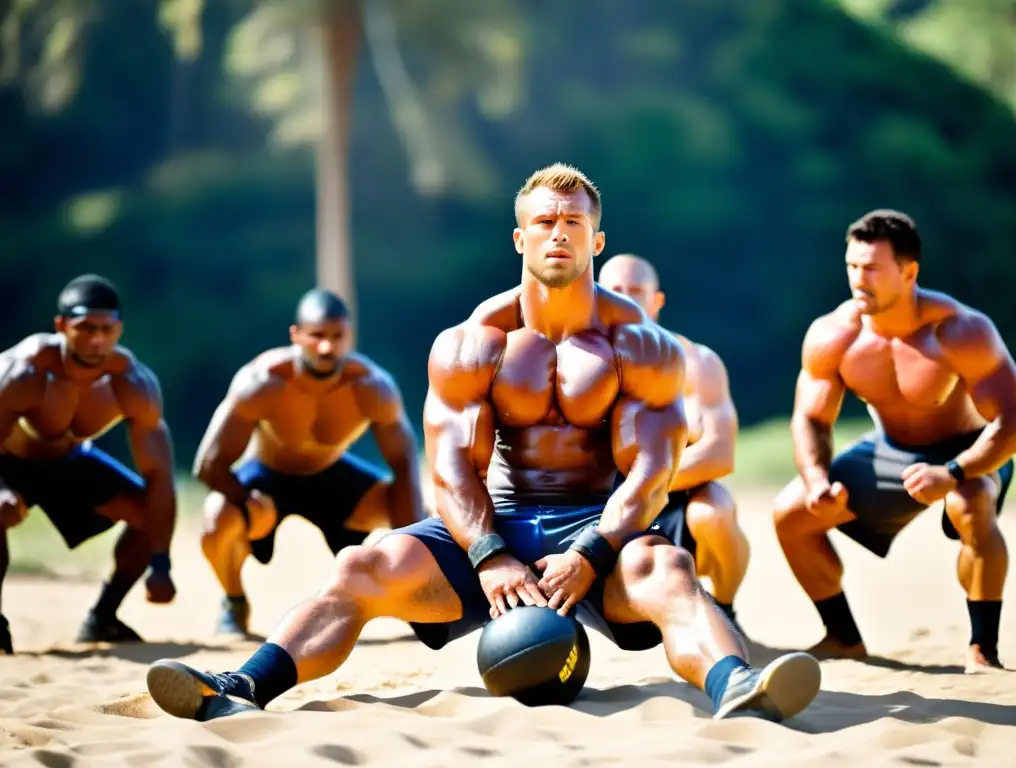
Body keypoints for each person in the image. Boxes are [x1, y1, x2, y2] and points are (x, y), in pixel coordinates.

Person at [146, 163, 820, 723]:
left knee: (669, 572)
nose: (559, 234)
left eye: (574, 223)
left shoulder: (640, 344)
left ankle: (736, 686)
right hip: (495, 520)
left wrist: (591, 551)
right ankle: (240, 687)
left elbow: (653, 467)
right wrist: (491, 553)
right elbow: (450, 463)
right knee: (362, 566)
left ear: (598, 240)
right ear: (520, 238)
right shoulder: (476, 343)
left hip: (597, 524)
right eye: (546, 224)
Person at [773, 210, 1016, 673]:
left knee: (970, 507)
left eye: (871, 269)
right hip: (891, 450)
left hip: (967, 449)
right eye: (851, 267)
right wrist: (815, 480)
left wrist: (953, 472)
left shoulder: (959, 330)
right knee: (791, 515)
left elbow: (1015, 420)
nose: (857, 279)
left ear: (909, 272)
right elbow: (810, 418)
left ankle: (982, 651)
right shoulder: (835, 334)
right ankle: (844, 638)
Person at [193, 288, 425, 636]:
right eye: (316, 336)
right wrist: (244, 500)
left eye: (336, 337)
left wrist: (411, 555)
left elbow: (405, 464)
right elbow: (208, 464)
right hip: (269, 479)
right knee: (217, 518)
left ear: (349, 335)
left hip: (332, 477)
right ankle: (234, 601)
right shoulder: (262, 381)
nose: (327, 347)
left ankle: (416, 600)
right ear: (296, 335)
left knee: (429, 517)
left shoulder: (372, 387)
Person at [0, 275, 177, 653]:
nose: (97, 339)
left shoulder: (132, 382)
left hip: (71, 462)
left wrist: (161, 563)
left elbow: (160, 474)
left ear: (119, 329)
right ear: (61, 326)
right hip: (9, 461)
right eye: (85, 328)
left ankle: (103, 617)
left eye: (106, 329)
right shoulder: (23, 372)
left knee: (149, 513)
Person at [598, 254, 749, 631]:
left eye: (637, 291)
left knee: (713, 511)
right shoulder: (579, 363)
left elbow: (719, 453)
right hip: (603, 505)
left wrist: (644, 486)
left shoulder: (697, 362)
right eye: (617, 292)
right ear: (598, 297)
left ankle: (726, 609)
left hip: (671, 494)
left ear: (657, 300)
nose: (628, 300)